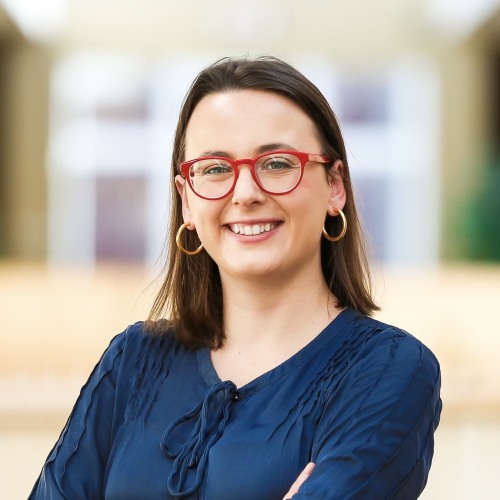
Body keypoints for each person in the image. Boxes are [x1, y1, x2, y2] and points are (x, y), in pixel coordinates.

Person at [29, 56, 442, 499]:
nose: (245, 193)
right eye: (214, 169)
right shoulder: (132, 359)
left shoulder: (390, 371)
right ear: (187, 201)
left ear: (334, 186)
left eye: (278, 163)